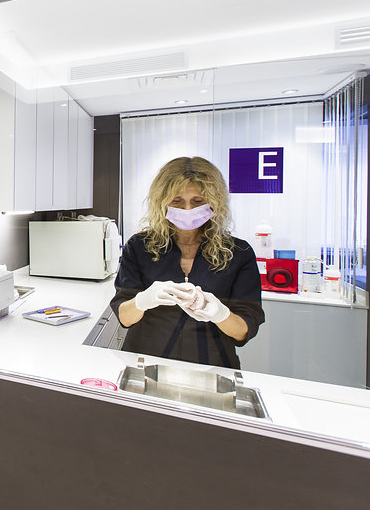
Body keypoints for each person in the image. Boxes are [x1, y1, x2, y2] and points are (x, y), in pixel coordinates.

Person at [111, 156, 264, 369]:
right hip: (144, 362)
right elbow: (125, 317)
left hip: (212, 366)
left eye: (198, 201)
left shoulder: (238, 253)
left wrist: (220, 314)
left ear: (214, 202)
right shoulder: (139, 247)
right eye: (177, 201)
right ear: (162, 202)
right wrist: (142, 301)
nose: (187, 210)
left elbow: (244, 331)